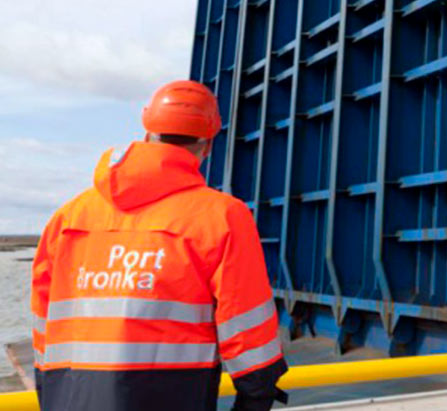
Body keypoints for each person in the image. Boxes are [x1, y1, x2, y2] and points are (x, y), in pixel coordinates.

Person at [31, 80, 287, 411]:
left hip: (70, 395)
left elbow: (43, 318)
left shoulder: (68, 217)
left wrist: (48, 390)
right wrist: (257, 394)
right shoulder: (221, 216)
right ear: (208, 144)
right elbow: (248, 325)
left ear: (147, 131)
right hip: (172, 394)